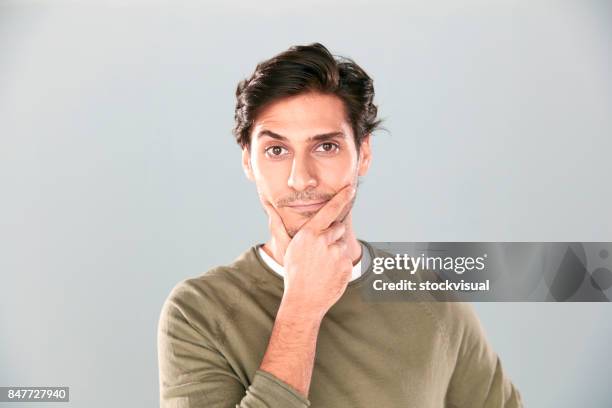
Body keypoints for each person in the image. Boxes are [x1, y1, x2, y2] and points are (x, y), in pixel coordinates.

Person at [157, 42, 523, 407]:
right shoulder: (198, 313)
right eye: (276, 150)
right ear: (248, 163)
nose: (301, 179)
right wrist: (301, 310)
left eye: (326, 147)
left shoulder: (434, 301)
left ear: (363, 154)